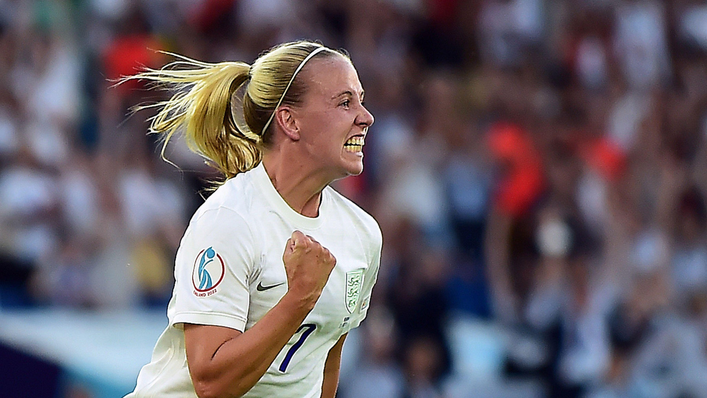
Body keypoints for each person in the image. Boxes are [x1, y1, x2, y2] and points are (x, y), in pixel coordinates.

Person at [123, 40, 380, 398]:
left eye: (360, 100)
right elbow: (212, 383)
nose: (365, 117)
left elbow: (324, 361)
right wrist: (298, 299)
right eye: (345, 102)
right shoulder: (229, 220)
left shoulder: (363, 234)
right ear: (290, 121)